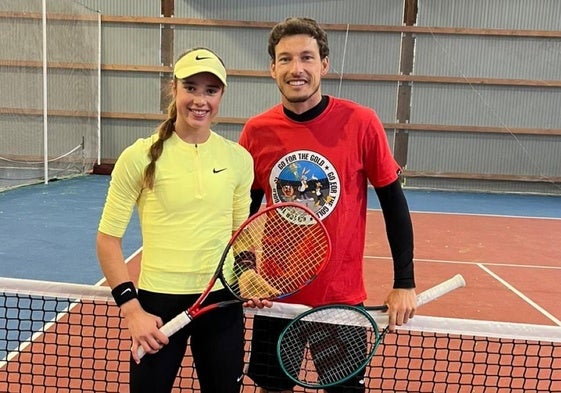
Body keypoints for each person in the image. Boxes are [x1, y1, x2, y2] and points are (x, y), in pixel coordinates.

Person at [238, 17, 417, 392]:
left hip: (339, 302)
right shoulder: (256, 131)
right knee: (273, 388)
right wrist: (244, 271)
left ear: (324, 64)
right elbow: (242, 213)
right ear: (273, 68)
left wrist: (404, 282)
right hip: (275, 297)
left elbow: (394, 205)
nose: (296, 68)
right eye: (285, 59)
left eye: (307, 57)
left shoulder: (361, 123)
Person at [96, 47, 254, 393]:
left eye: (211, 90)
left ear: (221, 95)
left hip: (220, 301)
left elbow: (241, 235)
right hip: (157, 305)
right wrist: (131, 310)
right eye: (191, 87)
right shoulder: (138, 157)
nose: (200, 100)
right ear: (174, 89)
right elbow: (108, 239)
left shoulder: (238, 159)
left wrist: (249, 274)